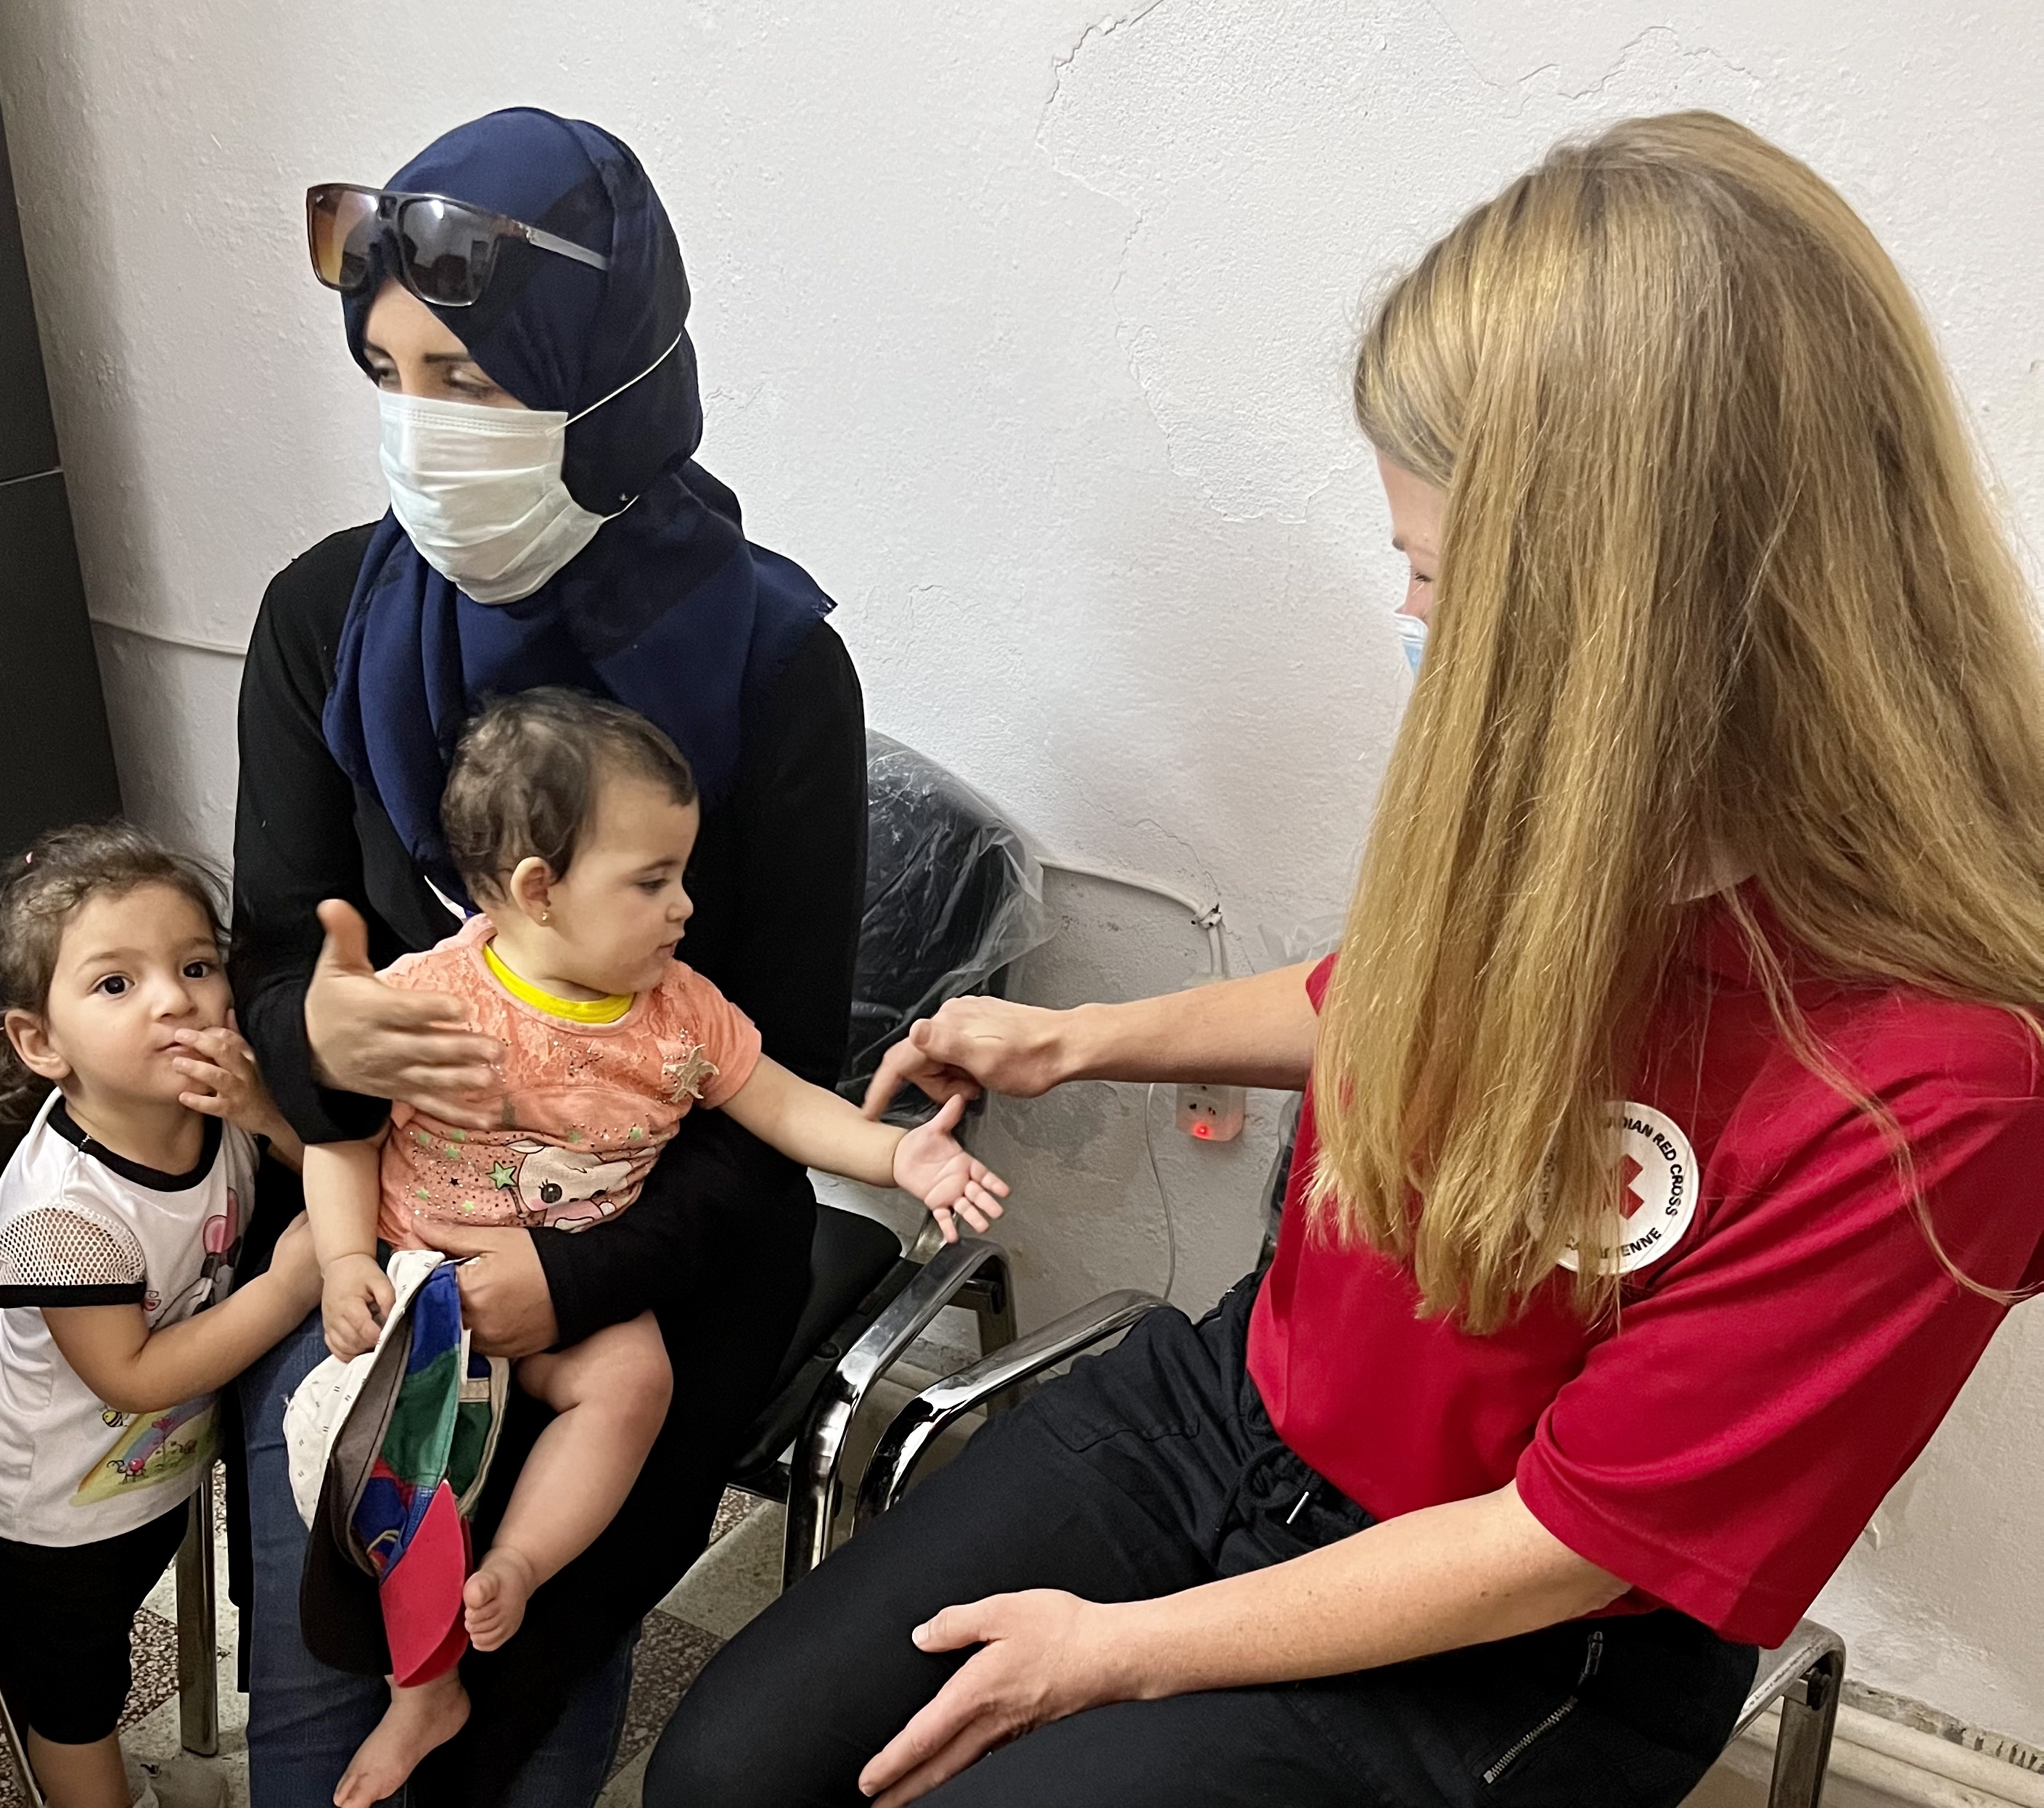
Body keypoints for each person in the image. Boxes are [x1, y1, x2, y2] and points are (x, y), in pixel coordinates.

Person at [645, 112, 2044, 1808]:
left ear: (1635, 619)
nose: (1413, 616)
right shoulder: (1574, 796)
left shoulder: (1939, 1091)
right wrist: (1077, 1041)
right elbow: (1388, 1005)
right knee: (731, 1765)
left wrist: (1124, 1649)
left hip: (1521, 1626)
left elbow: (1564, 1541)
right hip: (1237, 1410)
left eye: (1441, 575)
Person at [227, 109, 868, 1807]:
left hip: (649, 1254)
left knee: (516, 1656)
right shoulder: (322, 622)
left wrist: (572, 1285)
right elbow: (273, 969)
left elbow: (782, 1078)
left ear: (614, 379)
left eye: (475, 381)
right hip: (393, 1226)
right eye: (387, 372)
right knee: (336, 1653)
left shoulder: (775, 670)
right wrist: (329, 1039)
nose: (417, 432)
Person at [308, 689, 1001, 1806]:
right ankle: (418, 1689)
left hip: (583, 1287)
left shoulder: (679, 1011)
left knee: (638, 1382)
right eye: (652, 881)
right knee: (401, 1464)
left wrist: (898, 1158)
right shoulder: (432, 1001)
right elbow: (338, 1141)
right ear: (538, 889)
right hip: (419, 1278)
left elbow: (782, 1104)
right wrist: (344, 1263)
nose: (686, 905)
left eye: (682, 873)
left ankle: (524, 1565)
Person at [0, 825, 322, 1808]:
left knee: (92, 1668)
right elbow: (132, 1375)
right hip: (43, 1517)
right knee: (77, 1707)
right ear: (40, 1041)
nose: (174, 999)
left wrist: (268, 1115)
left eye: (195, 965)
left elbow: (295, 1154)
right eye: (116, 984)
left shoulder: (215, 1100)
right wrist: (288, 1283)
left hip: (141, 1478)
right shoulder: (59, 1216)